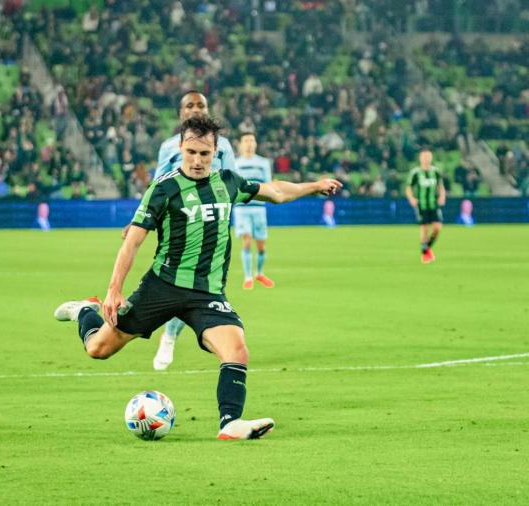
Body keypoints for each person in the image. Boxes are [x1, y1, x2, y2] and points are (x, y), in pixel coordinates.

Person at [54, 116, 341, 440]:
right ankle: (84, 311)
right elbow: (133, 240)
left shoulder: (228, 183)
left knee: (237, 350)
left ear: (216, 152)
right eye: (191, 152)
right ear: (180, 148)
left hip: (207, 294)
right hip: (161, 287)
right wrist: (113, 290)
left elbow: (275, 191)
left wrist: (315, 186)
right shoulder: (164, 189)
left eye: (205, 154)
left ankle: (230, 422)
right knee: (98, 349)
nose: (197, 160)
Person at [122, 90, 236, 371]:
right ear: (180, 113)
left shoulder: (224, 146)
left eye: (201, 105)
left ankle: (170, 335)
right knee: (177, 279)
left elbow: (233, 182)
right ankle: (166, 333)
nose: (195, 109)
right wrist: (139, 218)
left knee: (196, 283)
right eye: (189, 105)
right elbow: (158, 182)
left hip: (211, 226)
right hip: (177, 223)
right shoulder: (169, 146)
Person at [232, 132, 274, 289]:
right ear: (240, 145)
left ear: (255, 144)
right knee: (247, 240)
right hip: (242, 208)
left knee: (261, 244)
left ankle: (260, 274)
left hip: (259, 208)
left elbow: (268, 184)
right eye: (246, 141)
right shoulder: (235, 163)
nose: (249, 143)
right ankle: (248, 276)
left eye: (251, 140)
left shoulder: (263, 163)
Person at [405, 149, 446, 264]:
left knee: (437, 228)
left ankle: (426, 248)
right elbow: (408, 187)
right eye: (424, 157)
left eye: (428, 157)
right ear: (420, 159)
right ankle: (425, 255)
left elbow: (441, 186)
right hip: (422, 205)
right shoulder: (416, 173)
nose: (426, 159)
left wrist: (442, 196)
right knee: (424, 229)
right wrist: (411, 198)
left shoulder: (436, 172)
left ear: (431, 158)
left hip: (434, 204)